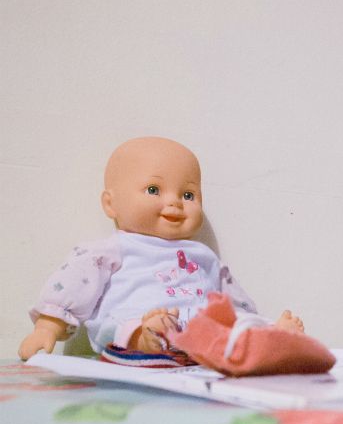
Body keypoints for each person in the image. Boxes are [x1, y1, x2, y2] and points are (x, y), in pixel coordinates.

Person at [18, 136, 304, 362]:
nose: (176, 203)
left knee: (231, 327)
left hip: (201, 335)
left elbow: (232, 298)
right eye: (154, 190)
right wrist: (48, 327)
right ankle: (146, 339)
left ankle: (270, 338)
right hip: (136, 320)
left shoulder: (202, 255)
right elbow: (73, 284)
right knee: (120, 326)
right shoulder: (113, 250)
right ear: (110, 204)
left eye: (188, 194)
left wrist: (251, 321)